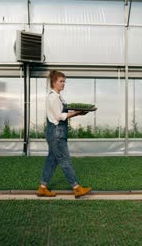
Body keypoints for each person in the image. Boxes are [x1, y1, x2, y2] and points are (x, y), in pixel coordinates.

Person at [37, 70, 92, 198]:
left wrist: (78, 111)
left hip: (56, 132)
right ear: (54, 82)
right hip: (57, 133)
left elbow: (63, 112)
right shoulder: (53, 97)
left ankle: (42, 187)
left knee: (52, 160)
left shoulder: (58, 97)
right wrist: (77, 113)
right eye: (61, 81)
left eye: (64, 81)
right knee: (65, 160)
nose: (63, 84)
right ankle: (76, 188)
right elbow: (59, 116)